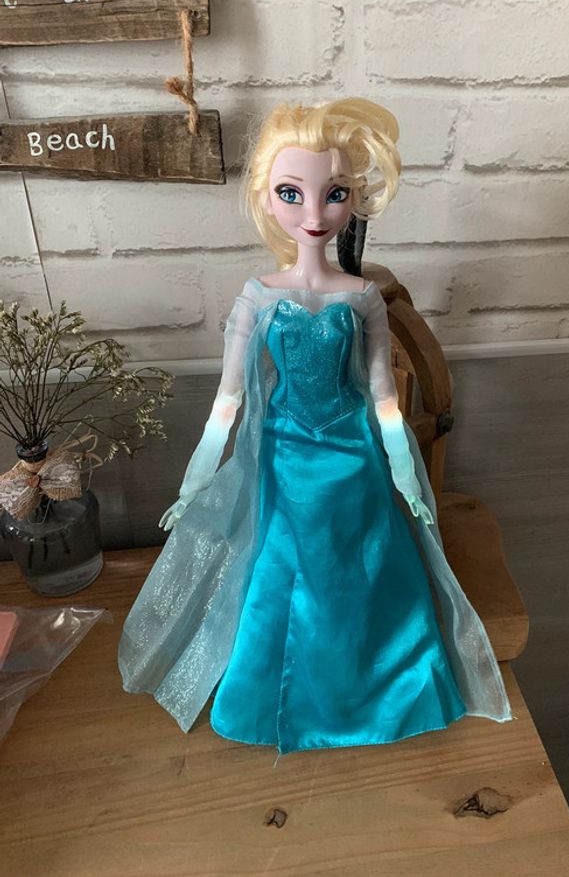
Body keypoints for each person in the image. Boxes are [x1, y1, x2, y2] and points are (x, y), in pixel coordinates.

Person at [118, 98, 512, 757]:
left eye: (333, 194)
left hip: (355, 458)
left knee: (365, 570)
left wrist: (407, 475)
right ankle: (275, 701)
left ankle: (384, 691)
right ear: (265, 196)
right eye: (291, 193)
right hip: (284, 457)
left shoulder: (362, 298)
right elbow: (228, 400)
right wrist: (194, 482)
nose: (313, 214)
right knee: (279, 572)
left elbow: (384, 397)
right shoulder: (257, 297)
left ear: (352, 198)